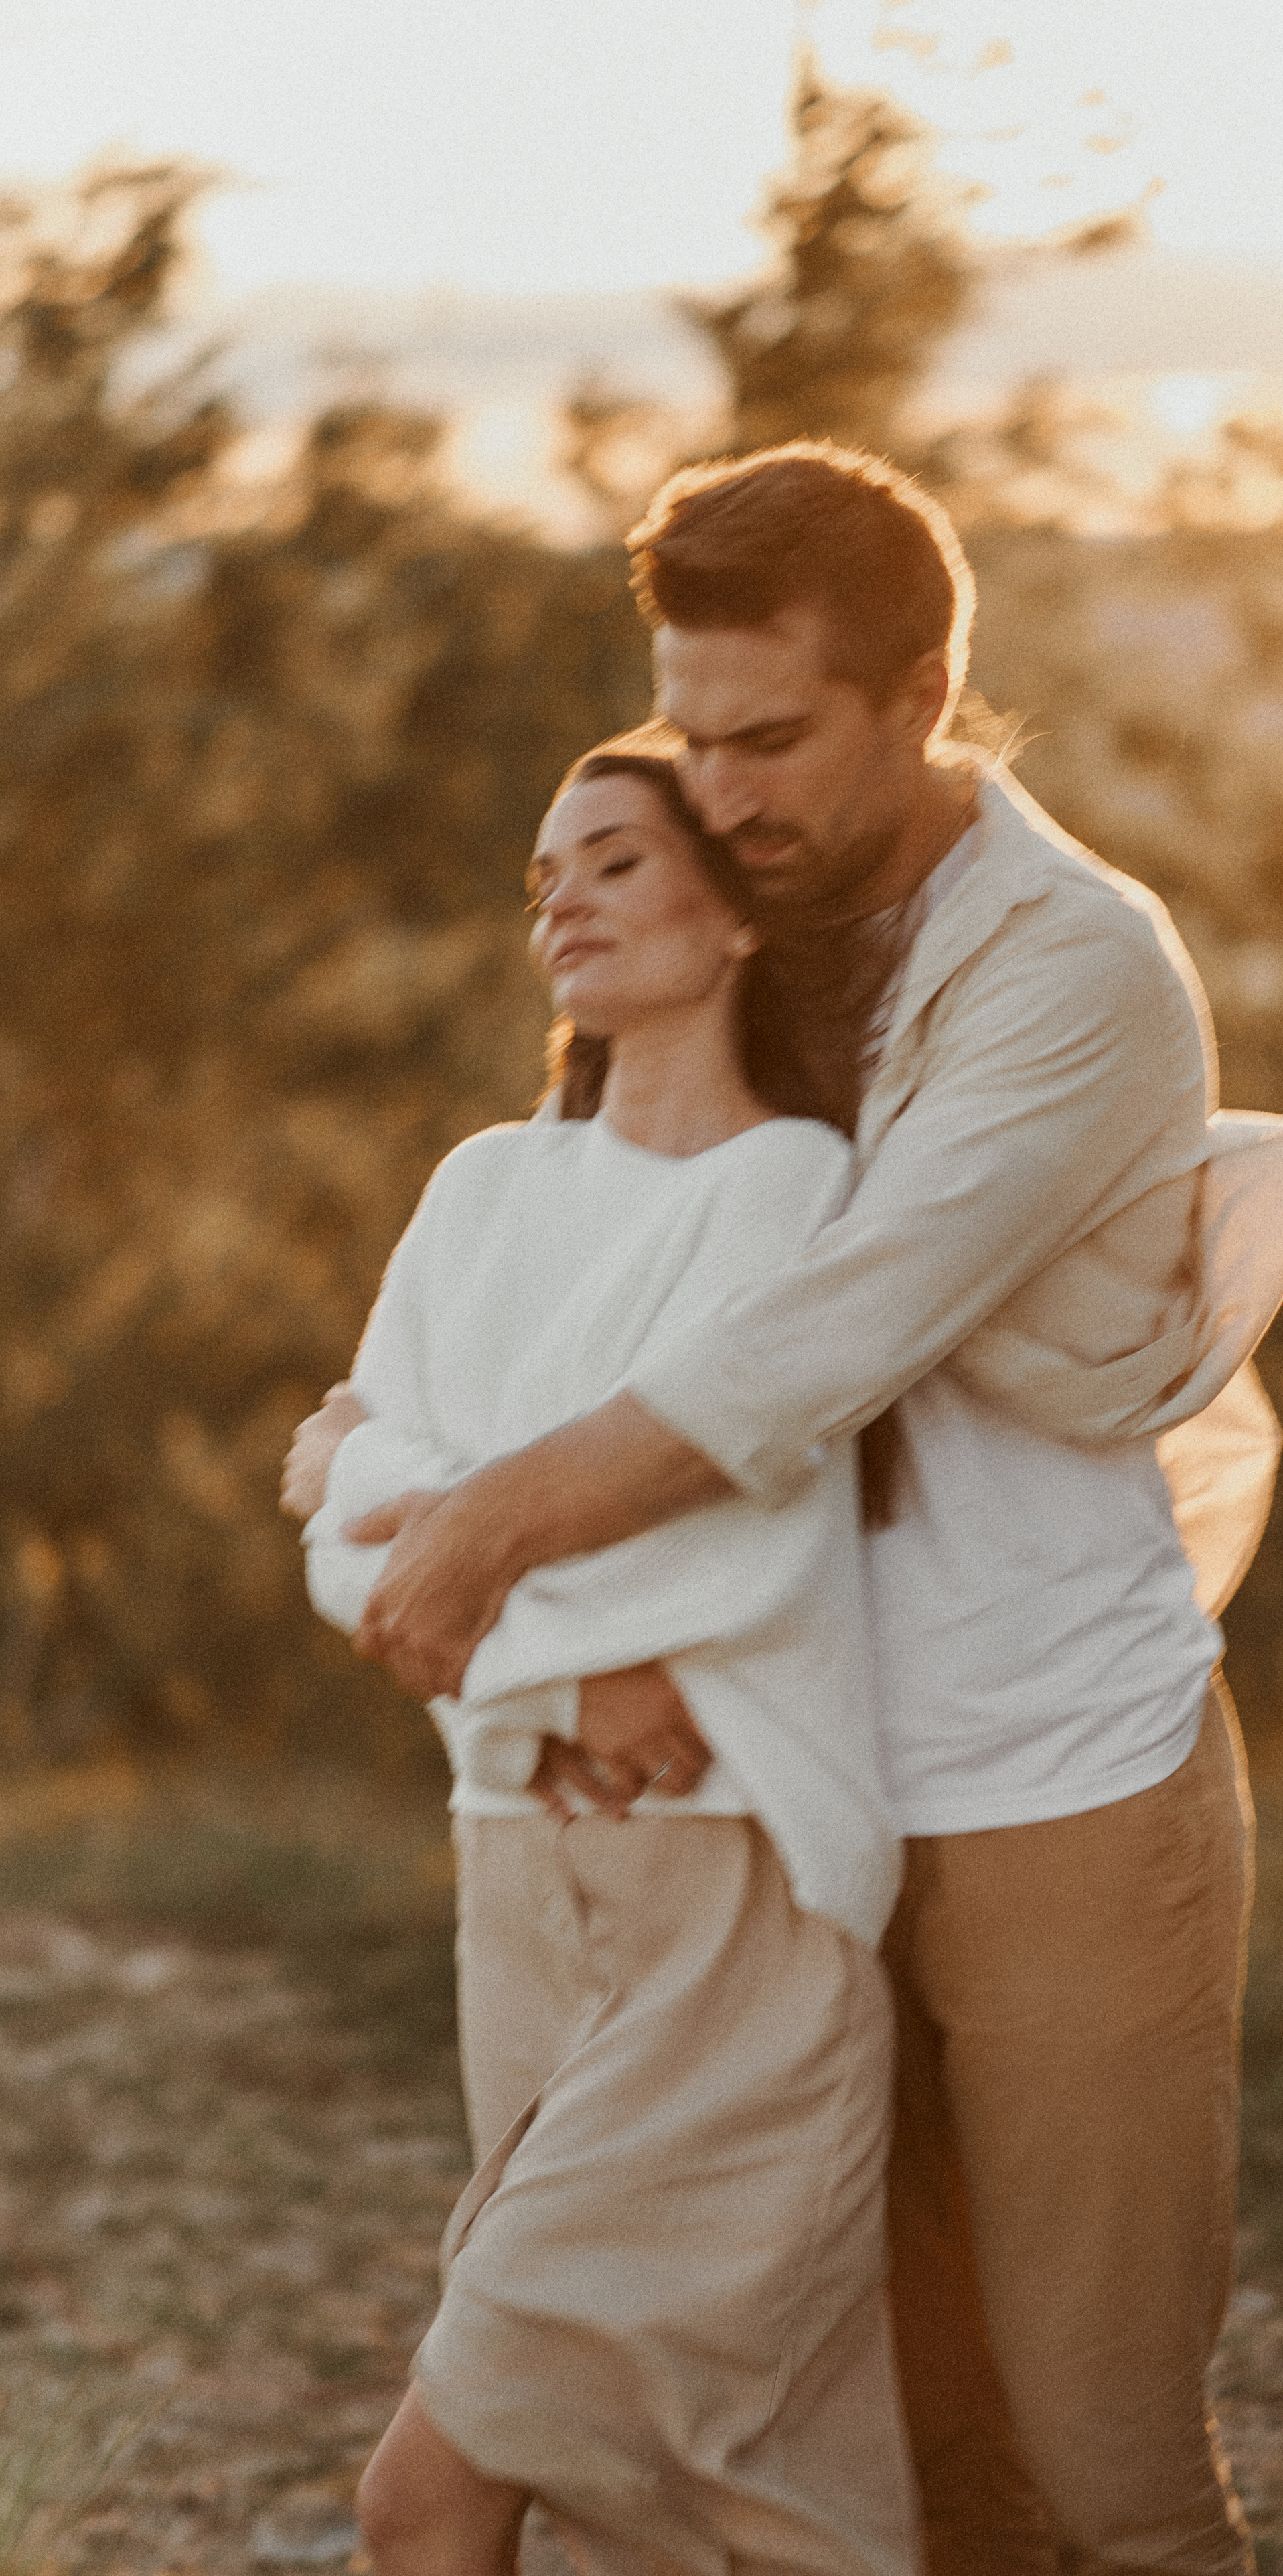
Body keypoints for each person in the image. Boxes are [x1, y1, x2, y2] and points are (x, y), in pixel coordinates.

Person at [302, 443, 1283, 2576]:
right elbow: (527, 1329)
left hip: (1052, 1778)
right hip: (791, 1812)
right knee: (915, 2465)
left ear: (924, 694)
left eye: (771, 739)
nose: (723, 788)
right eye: (689, 734)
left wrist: (490, 1537)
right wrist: (458, 1568)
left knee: (1110, 2467)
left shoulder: (1070, 965)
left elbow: (822, 1337)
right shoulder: (737, 940)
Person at [288, 749, 922, 2576]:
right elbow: (352, 1562)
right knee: (684, 2491)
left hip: (726, 1898)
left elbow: (716, 1535)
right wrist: (547, 1653)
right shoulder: (484, 1186)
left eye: (619, 860)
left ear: (736, 914)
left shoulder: (791, 1184)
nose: (563, 895)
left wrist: (384, 1479)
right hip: (516, 1879)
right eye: (545, 871)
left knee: (434, 2486)